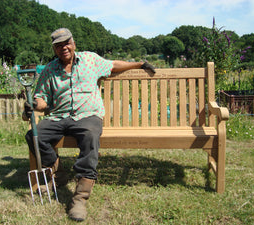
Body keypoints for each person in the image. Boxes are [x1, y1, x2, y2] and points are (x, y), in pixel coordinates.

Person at [23, 28, 155, 222]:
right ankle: (57, 173)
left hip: (87, 116)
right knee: (34, 135)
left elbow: (113, 65)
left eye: (66, 43)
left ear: (73, 43)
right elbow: (42, 99)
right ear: (54, 49)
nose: (63, 48)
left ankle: (80, 198)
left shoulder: (90, 60)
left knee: (90, 136)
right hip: (59, 116)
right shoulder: (50, 70)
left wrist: (140, 63)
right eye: (58, 46)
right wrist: (34, 105)